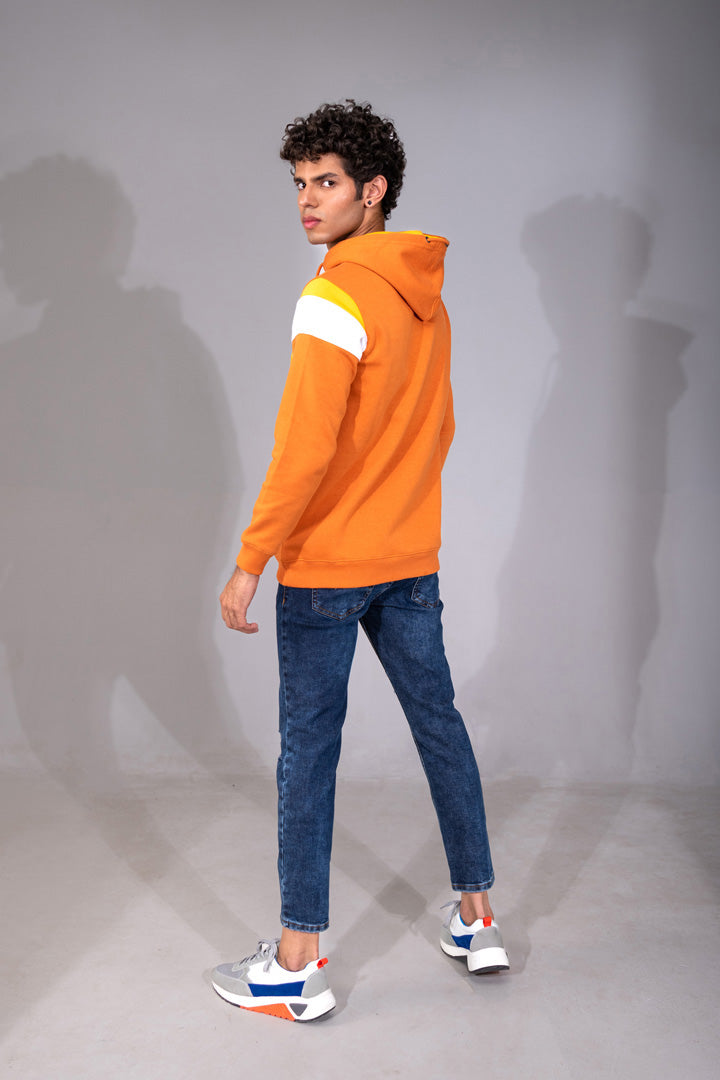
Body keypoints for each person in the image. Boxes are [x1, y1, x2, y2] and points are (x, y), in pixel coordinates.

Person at [212, 100, 508, 1022]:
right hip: (409, 558)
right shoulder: (426, 291)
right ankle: (478, 918)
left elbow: (303, 451)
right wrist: (401, 509)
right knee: (440, 727)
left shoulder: (333, 295)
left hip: (328, 569)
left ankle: (295, 963)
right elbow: (440, 426)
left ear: (372, 190)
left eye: (328, 182)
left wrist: (252, 557)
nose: (308, 200)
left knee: (308, 752)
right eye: (300, 183)